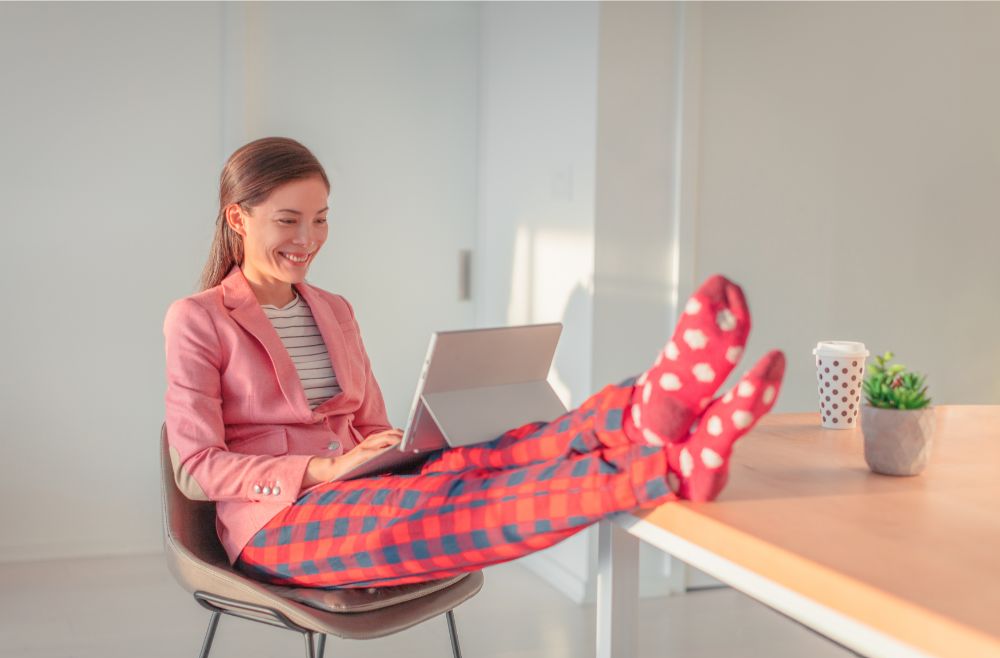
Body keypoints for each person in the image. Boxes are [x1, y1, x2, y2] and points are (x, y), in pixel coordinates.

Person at [163, 137, 786, 590]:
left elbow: (373, 422)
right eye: (289, 221)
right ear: (238, 218)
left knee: (489, 453)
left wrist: (391, 450)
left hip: (361, 483)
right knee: (452, 507)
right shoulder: (198, 318)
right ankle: (666, 467)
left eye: (321, 219)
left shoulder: (334, 309)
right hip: (276, 523)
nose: (309, 239)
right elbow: (196, 468)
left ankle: (642, 412)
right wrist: (322, 468)